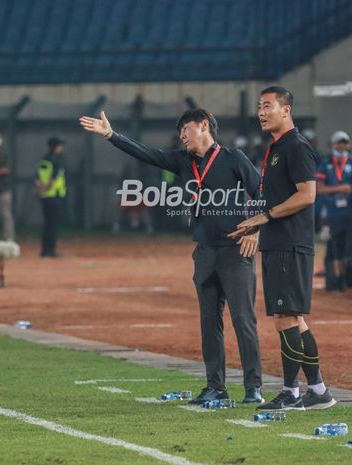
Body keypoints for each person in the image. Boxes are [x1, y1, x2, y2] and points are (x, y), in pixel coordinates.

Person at [80, 108, 265, 405]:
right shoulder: (182, 161)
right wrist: (111, 135)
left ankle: (253, 386)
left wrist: (255, 230)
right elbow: (146, 153)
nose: (181, 137)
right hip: (204, 252)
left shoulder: (234, 158)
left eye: (186, 130)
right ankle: (215, 386)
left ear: (204, 126)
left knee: (243, 319)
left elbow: (262, 191)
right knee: (209, 322)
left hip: (235, 252)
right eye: (180, 133)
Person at [230, 86, 335, 411]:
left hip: (291, 244)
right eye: (259, 107)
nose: (261, 112)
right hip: (281, 242)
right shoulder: (277, 148)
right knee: (293, 319)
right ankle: (316, 390)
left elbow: (307, 195)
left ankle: (291, 392)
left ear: (286, 110)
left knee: (286, 318)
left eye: (267, 106)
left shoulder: (296, 146)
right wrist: (261, 225)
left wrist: (265, 216)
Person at [316, 130, 352, 291]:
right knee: (337, 246)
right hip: (333, 212)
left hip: (350, 211)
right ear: (333, 144)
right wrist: (340, 188)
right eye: (339, 142)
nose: (341, 145)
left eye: (344, 142)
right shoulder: (326, 164)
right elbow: (320, 189)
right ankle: (339, 281)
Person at [36, 137, 67, 258]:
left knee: (47, 224)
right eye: (60, 145)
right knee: (54, 224)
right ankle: (52, 250)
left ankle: (44, 250)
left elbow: (37, 178)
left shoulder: (44, 160)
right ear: (55, 147)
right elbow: (53, 179)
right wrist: (47, 188)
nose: (61, 148)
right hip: (54, 196)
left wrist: (41, 190)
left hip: (44, 196)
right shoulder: (58, 160)